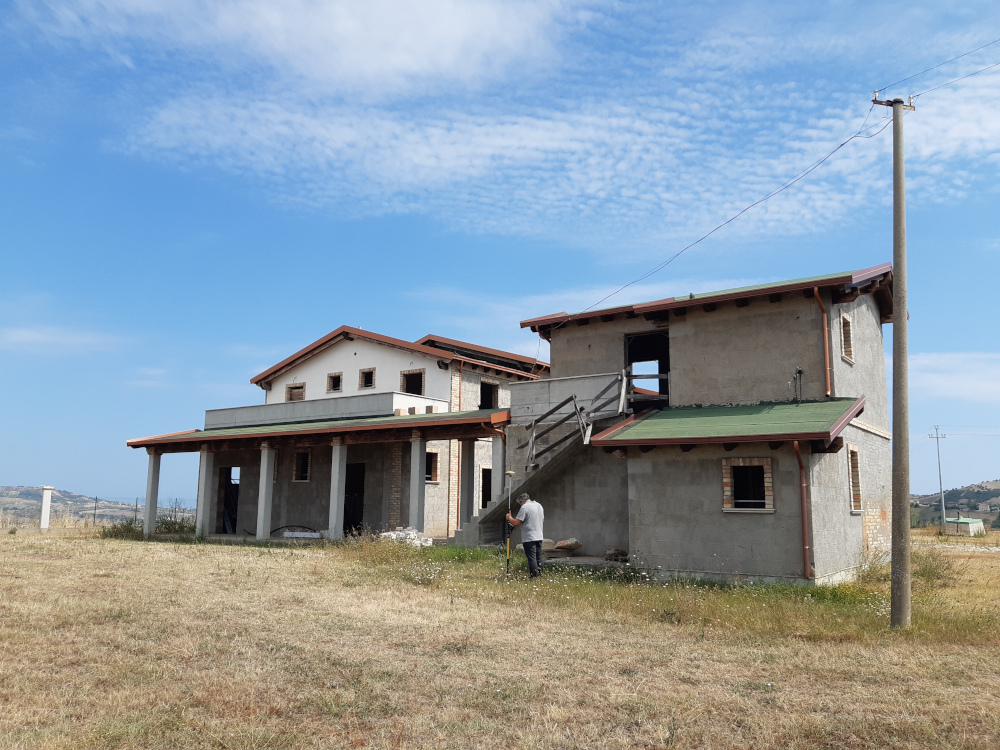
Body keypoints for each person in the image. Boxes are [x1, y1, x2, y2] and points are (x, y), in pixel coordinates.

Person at [506, 492, 545, 578]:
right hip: (539, 536)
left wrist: (509, 517)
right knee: (539, 557)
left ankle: (534, 577)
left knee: (532, 558)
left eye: (519, 504)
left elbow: (516, 522)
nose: (520, 505)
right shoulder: (539, 505)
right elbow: (542, 520)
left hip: (529, 537)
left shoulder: (525, 507)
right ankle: (540, 575)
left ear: (521, 501)